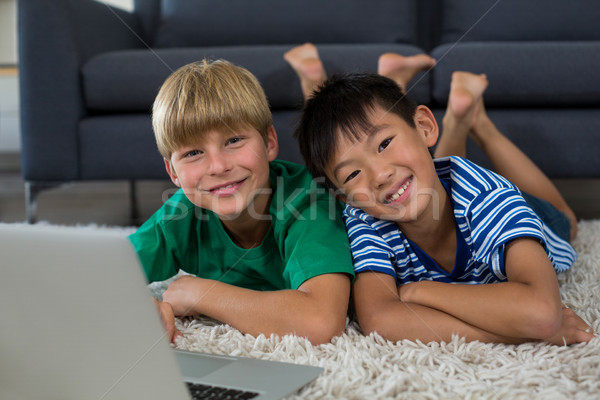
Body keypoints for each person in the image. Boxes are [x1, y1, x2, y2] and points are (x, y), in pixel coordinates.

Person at [289, 44, 595, 345]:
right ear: (345, 198)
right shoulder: (365, 218)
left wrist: (418, 291)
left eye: (384, 144)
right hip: (444, 186)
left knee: (567, 219)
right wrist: (511, 332)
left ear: (424, 126)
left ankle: (482, 126)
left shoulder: (488, 198)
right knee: (429, 177)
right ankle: (461, 120)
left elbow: (540, 312)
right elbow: (380, 319)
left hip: (514, 208)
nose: (379, 176)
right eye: (352, 175)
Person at [129, 59, 354, 344]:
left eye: (234, 140)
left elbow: (321, 321)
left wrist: (201, 293)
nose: (218, 166)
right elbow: (95, 278)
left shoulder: (307, 204)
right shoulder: (180, 214)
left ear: (270, 142)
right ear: (172, 171)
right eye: (193, 153)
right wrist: (137, 307)